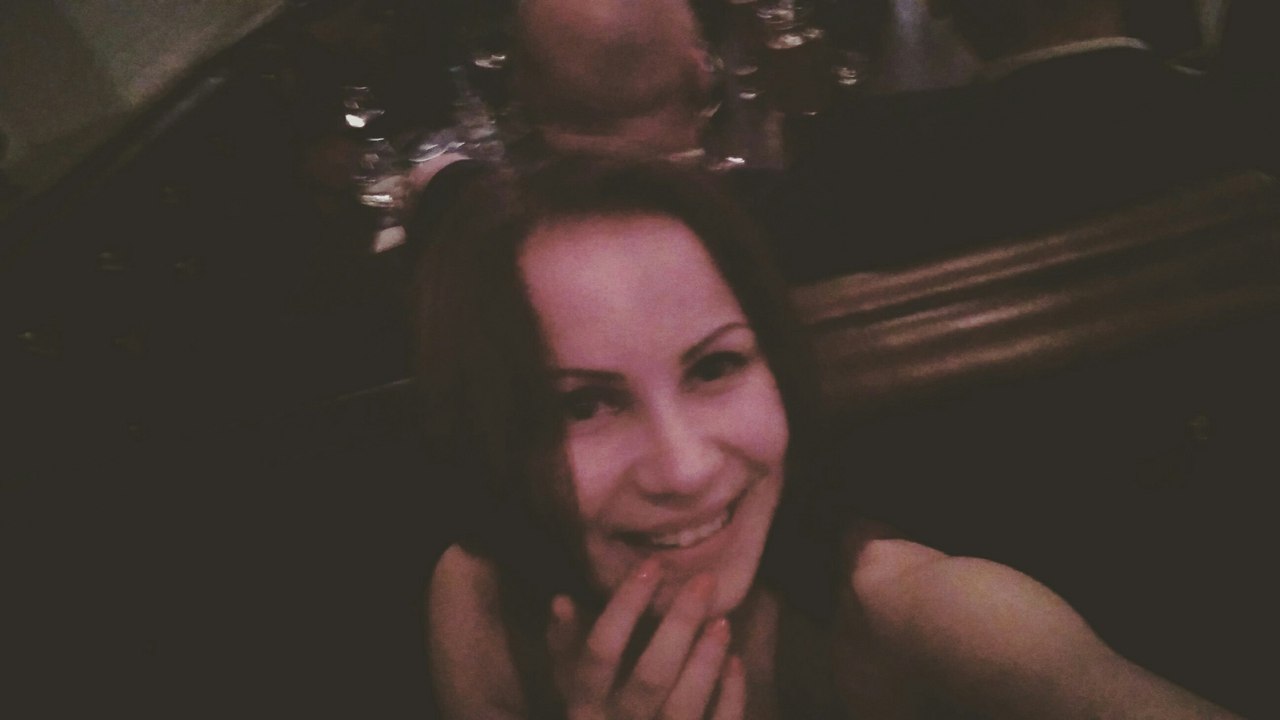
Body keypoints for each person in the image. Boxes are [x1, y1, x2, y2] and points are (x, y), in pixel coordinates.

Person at [416, 156, 1243, 719]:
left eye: (716, 367)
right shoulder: (481, 607)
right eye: (583, 406)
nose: (686, 469)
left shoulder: (944, 624)